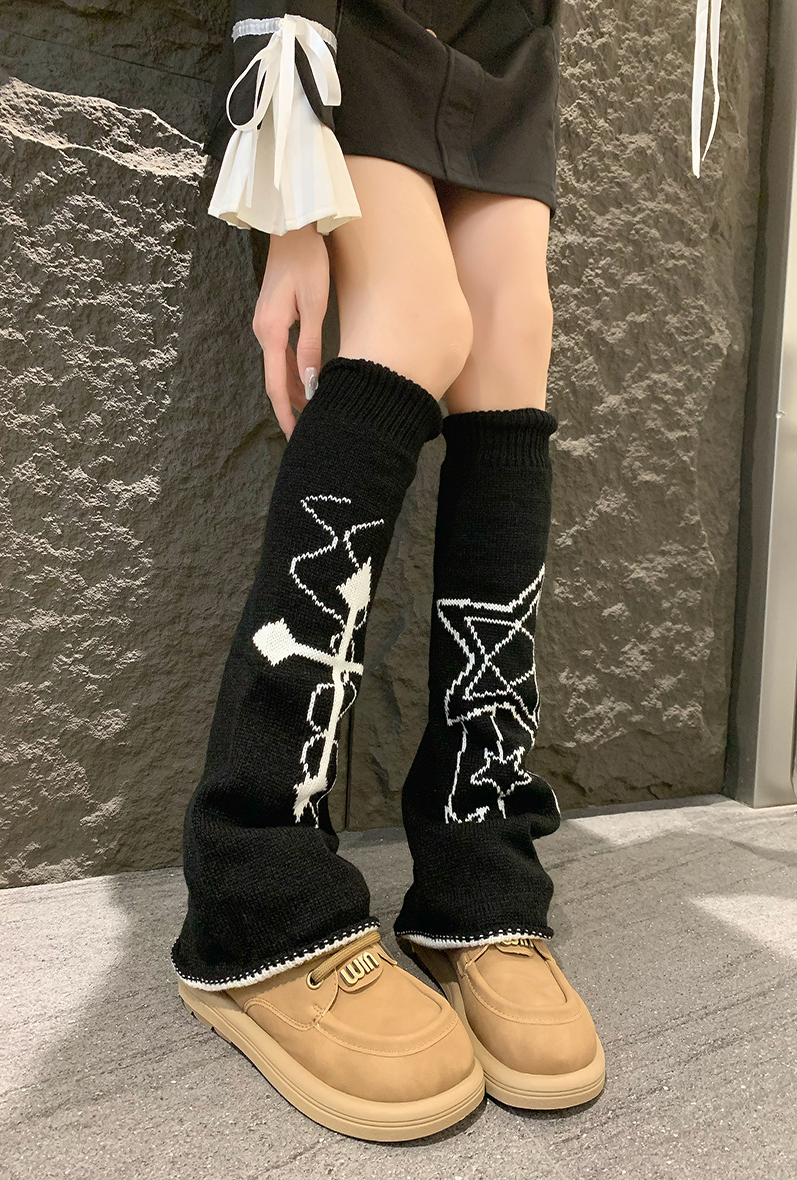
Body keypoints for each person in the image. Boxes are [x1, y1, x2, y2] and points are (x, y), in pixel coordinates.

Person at [170, 0, 720, 1143]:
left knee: (511, 341)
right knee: (414, 321)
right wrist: (288, 195)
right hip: (346, 22)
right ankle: (254, 873)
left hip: (504, 30)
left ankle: (476, 852)